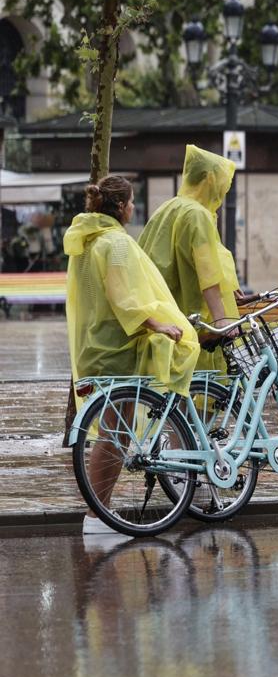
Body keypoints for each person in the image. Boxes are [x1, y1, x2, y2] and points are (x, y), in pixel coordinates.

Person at [65, 175, 200, 534]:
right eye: (131, 202)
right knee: (113, 433)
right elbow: (123, 297)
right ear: (121, 206)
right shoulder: (116, 244)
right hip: (117, 346)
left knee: (114, 432)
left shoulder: (88, 240)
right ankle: (97, 516)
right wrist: (158, 325)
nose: (134, 207)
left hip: (98, 342)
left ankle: (99, 514)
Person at [138, 145, 240, 372]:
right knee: (199, 387)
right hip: (192, 318)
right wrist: (220, 319)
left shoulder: (167, 208)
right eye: (223, 183)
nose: (223, 191)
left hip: (165, 313)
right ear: (209, 180)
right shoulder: (197, 215)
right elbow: (208, 271)